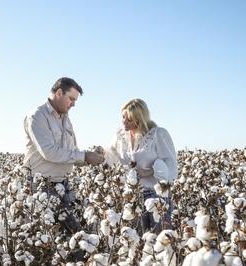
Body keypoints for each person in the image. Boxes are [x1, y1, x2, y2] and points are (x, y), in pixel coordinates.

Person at [24, 77, 105, 234]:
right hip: (42, 186)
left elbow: (72, 151)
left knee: (73, 234)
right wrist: (85, 156)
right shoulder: (37, 116)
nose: (73, 104)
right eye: (71, 99)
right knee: (59, 235)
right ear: (59, 93)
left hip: (63, 183)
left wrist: (92, 156)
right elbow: (49, 152)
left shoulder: (66, 119)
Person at [104, 98, 178, 234]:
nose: (124, 122)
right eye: (123, 117)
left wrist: (160, 175)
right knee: (136, 238)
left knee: (160, 236)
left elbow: (171, 164)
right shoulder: (120, 135)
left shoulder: (157, 135)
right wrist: (100, 154)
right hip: (132, 194)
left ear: (140, 119)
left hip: (156, 193)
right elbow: (112, 156)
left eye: (129, 119)